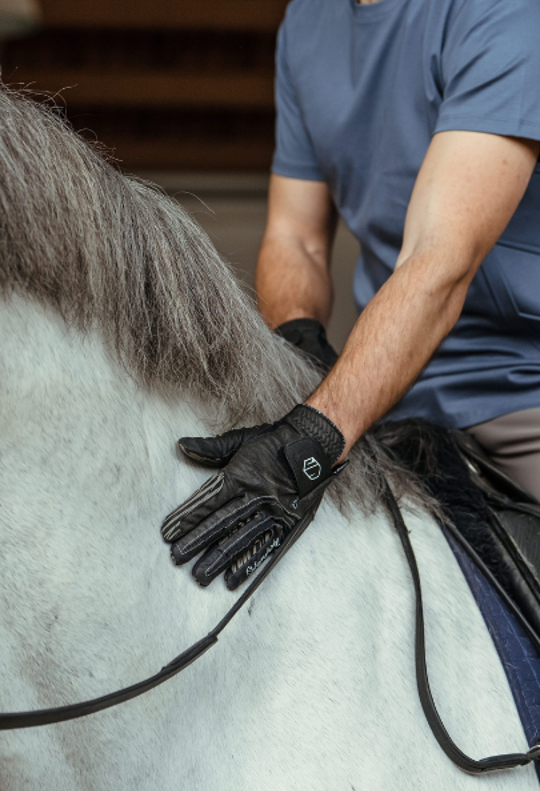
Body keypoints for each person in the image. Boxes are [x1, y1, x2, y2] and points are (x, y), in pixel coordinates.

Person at [162, 0, 540, 589]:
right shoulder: (307, 22)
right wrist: (297, 342)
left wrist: (313, 438)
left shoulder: (503, 11)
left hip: (521, 390)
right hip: (388, 398)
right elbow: (297, 237)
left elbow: (440, 261)